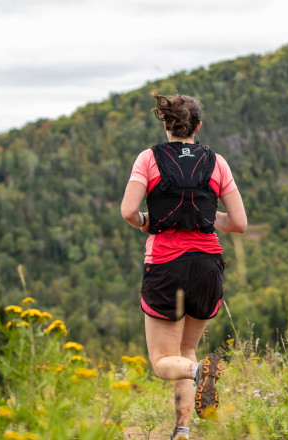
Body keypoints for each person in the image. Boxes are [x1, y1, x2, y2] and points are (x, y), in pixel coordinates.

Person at [121, 92, 247, 440]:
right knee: (187, 351)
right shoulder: (217, 162)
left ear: (166, 125)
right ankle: (182, 430)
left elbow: (129, 212)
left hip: (166, 266)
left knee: (165, 362)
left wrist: (148, 219)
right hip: (208, 267)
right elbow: (238, 223)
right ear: (198, 126)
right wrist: (207, 215)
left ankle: (201, 371)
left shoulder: (148, 159)